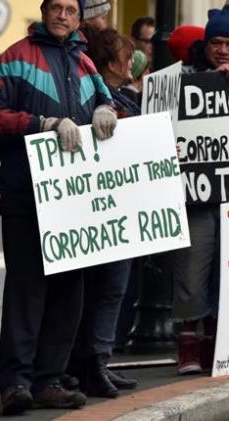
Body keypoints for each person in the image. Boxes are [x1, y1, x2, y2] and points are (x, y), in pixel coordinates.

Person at [0, 0, 117, 415]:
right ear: (44, 11)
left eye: (70, 11)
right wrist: (40, 122)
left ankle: (48, 380)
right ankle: (16, 384)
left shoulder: (85, 63)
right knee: (27, 290)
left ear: (80, 20)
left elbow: (110, 105)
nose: (62, 15)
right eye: (56, 8)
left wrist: (107, 111)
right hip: (26, 196)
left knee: (67, 293)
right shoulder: (14, 59)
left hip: (75, 203)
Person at [173, 4, 229, 375]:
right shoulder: (181, 78)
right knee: (191, 271)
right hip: (194, 197)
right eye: (216, 42)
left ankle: (219, 345)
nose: (223, 50)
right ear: (205, 45)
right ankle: (189, 348)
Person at [67, 28, 139, 397]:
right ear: (112, 63)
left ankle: (98, 362)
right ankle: (88, 363)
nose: (133, 62)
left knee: (112, 290)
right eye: (127, 55)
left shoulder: (125, 99)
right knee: (102, 289)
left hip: (121, 213)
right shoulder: (98, 100)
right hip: (99, 212)